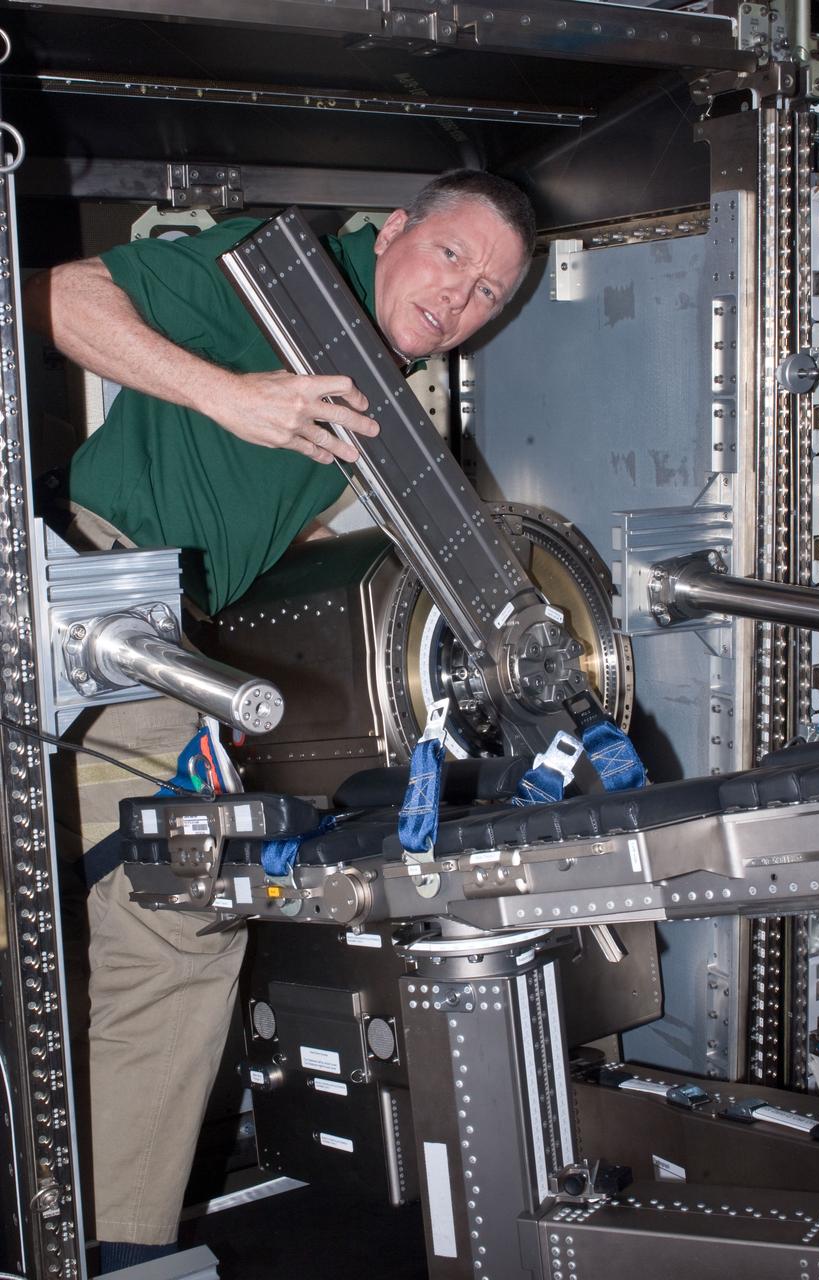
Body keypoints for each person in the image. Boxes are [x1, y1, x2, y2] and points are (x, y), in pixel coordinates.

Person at [23, 169, 536, 1272]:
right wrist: (230, 395)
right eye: (451, 255)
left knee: (182, 904)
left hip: (166, 630)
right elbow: (54, 297)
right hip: (79, 578)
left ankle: (115, 1241)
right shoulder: (290, 279)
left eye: (490, 291)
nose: (462, 298)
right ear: (392, 228)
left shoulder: (385, 395)